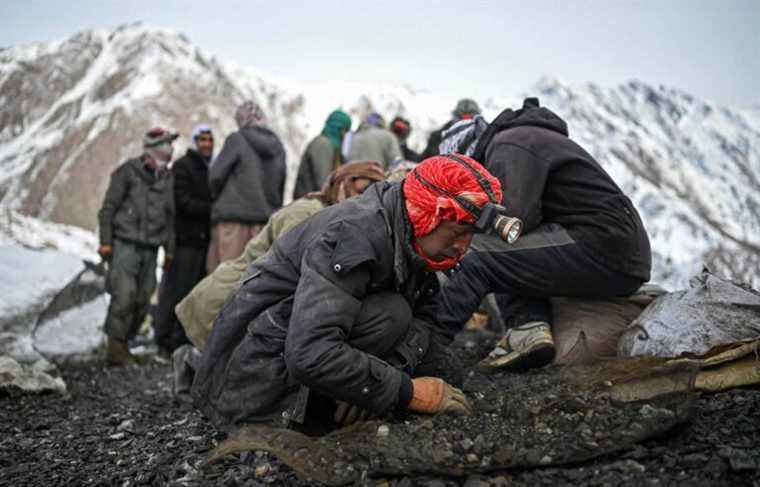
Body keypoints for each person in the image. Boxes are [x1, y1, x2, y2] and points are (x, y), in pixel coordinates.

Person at [191, 155, 503, 434]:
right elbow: (309, 353)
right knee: (392, 313)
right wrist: (405, 391)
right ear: (427, 215)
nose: (463, 246)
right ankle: (311, 415)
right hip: (253, 376)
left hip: (293, 345)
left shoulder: (409, 232)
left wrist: (381, 380)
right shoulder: (353, 233)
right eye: (458, 233)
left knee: (436, 358)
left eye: (470, 235)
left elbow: (426, 320)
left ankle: (339, 399)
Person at [435, 98, 652, 371]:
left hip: (600, 243)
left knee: (473, 252)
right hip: (614, 249)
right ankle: (528, 327)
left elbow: (513, 219)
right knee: (503, 254)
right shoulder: (518, 139)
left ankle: (425, 347)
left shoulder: (509, 144)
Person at [175, 160, 387, 350]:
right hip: (228, 295)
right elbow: (290, 268)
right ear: (342, 183)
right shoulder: (307, 212)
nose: (363, 200)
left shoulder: (328, 214)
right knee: (216, 368)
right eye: (362, 189)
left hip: (245, 295)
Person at [97, 127, 177, 366]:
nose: (170, 148)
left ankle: (125, 343)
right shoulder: (127, 172)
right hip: (125, 244)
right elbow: (108, 209)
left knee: (143, 298)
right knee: (124, 294)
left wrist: (169, 250)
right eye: (166, 143)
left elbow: (170, 217)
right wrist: (105, 242)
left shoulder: (168, 179)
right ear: (153, 147)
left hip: (151, 249)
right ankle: (115, 346)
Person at [153, 125, 214, 357]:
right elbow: (182, 201)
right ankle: (165, 341)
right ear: (195, 141)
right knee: (177, 292)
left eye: (210, 139)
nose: (206, 144)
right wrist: (213, 210)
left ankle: (181, 341)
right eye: (202, 139)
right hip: (186, 241)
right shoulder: (183, 167)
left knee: (193, 293)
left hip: (201, 242)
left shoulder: (209, 167)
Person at [207, 101, 286, 273]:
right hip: (262, 223)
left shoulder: (237, 139)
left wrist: (216, 199)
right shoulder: (277, 146)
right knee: (251, 278)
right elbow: (280, 184)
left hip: (232, 220)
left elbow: (215, 176)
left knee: (224, 276)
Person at [293, 110, 352, 199]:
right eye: (344, 130)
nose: (344, 135)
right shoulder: (323, 144)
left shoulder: (333, 147)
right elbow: (323, 182)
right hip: (310, 204)